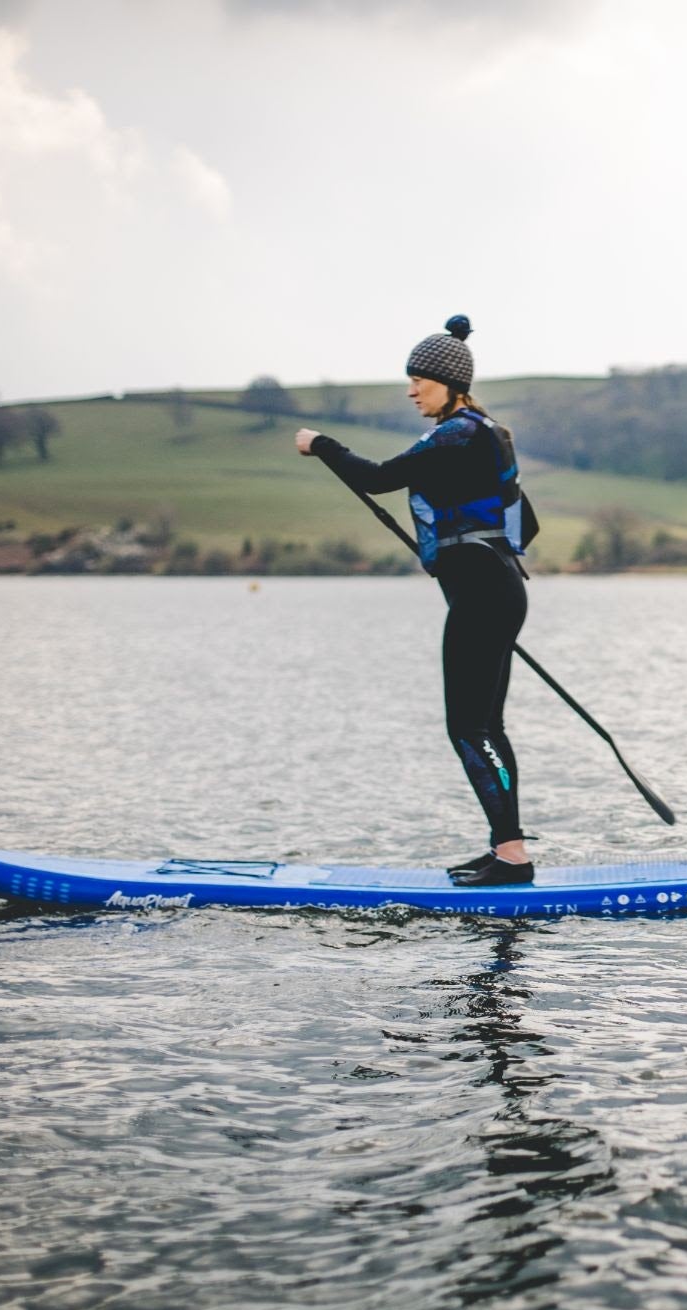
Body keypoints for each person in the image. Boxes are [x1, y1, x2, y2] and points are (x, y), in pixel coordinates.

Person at [295, 315, 537, 885]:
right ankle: (507, 849)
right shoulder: (480, 432)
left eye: (420, 382)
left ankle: (512, 856)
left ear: (451, 385)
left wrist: (320, 444)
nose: (411, 391)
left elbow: (378, 478)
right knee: (485, 726)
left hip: (484, 594)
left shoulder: (459, 433)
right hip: (494, 590)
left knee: (468, 728)